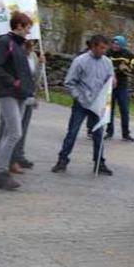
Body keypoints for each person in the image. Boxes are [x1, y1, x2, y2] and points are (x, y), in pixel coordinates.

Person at [51, 34, 115, 176]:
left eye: (106, 48)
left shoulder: (107, 62)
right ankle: (62, 159)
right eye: (101, 48)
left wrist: (112, 82)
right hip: (82, 103)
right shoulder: (80, 61)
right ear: (93, 47)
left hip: (98, 104)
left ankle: (99, 162)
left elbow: (110, 78)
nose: (104, 51)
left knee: (98, 133)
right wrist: (78, 97)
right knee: (72, 132)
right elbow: (69, 82)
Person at [0, 12, 35, 190]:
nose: (29, 32)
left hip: (21, 94)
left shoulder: (18, 45)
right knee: (14, 133)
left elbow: (23, 70)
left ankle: (0, 171)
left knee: (11, 133)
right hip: (8, 93)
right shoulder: (5, 43)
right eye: (27, 28)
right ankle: (1, 171)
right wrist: (14, 82)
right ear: (18, 26)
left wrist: (28, 90)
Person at [0, 40, 43, 174]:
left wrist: (40, 64)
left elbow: (35, 77)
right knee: (9, 129)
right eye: (31, 44)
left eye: (34, 44)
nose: (33, 46)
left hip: (28, 95)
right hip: (13, 95)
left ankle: (17, 156)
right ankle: (4, 161)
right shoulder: (16, 54)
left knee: (23, 128)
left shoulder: (33, 56)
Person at [105, 35, 134, 142]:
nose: (114, 45)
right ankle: (109, 132)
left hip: (122, 85)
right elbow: (105, 68)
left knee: (124, 109)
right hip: (110, 85)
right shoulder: (108, 53)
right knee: (109, 109)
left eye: (117, 43)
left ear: (122, 45)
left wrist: (126, 68)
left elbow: (133, 69)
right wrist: (118, 69)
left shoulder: (128, 55)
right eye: (113, 43)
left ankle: (126, 133)